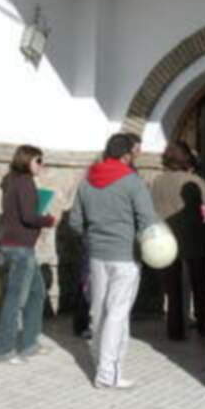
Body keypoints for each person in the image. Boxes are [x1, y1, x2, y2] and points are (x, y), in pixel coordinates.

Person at [69, 133, 156, 389]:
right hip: (126, 256)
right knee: (117, 314)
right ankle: (108, 374)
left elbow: (75, 222)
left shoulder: (87, 182)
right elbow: (147, 220)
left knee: (99, 310)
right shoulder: (132, 182)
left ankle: (102, 364)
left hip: (96, 255)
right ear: (126, 155)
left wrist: (94, 236)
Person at [0, 145, 55, 364]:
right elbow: (28, 217)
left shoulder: (12, 181)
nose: (41, 165)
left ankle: (28, 344)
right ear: (26, 161)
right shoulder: (24, 182)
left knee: (37, 293)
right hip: (20, 249)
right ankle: (3, 350)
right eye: (38, 161)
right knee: (14, 299)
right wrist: (49, 220)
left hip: (17, 246)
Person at [150, 141, 205, 340]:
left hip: (166, 239)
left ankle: (175, 329)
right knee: (200, 285)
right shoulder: (194, 181)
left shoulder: (157, 181)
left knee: (173, 288)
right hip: (194, 238)